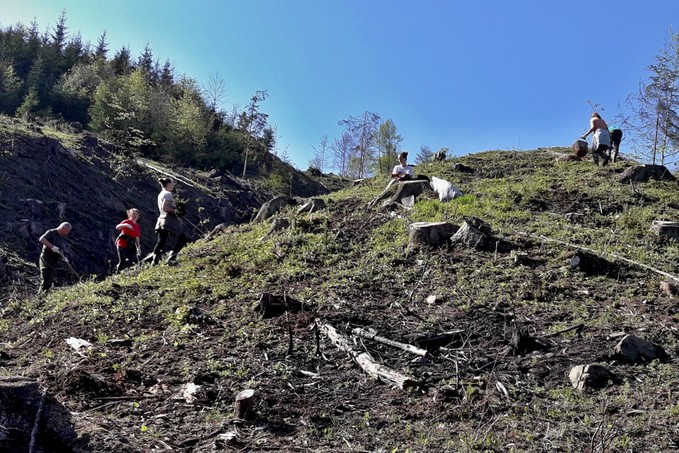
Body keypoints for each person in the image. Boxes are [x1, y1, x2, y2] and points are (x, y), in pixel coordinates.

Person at [150, 178, 187, 265]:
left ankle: (154, 261)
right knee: (182, 239)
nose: (173, 185)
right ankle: (171, 258)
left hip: (160, 220)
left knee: (161, 241)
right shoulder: (168, 194)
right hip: (168, 221)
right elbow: (165, 207)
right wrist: (176, 211)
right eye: (172, 183)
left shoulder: (160, 194)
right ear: (169, 184)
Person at [37, 222, 72, 293]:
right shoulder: (51, 232)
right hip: (46, 259)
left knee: (50, 279)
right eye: (66, 231)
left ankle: (44, 296)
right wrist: (52, 246)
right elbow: (41, 239)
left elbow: (60, 249)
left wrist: (63, 257)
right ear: (62, 228)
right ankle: (40, 297)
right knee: (45, 278)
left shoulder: (61, 237)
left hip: (53, 261)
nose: (66, 234)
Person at [115, 208, 141, 273]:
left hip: (130, 245)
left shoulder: (137, 226)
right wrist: (125, 225)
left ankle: (127, 272)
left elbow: (137, 237)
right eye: (133, 214)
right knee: (123, 260)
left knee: (132, 260)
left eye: (136, 214)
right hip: (122, 244)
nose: (135, 216)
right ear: (129, 215)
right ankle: (117, 273)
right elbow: (117, 227)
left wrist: (138, 247)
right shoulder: (126, 222)